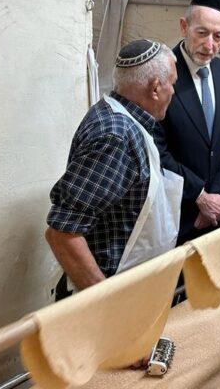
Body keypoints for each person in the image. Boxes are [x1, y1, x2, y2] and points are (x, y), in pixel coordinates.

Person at [46, 40, 181, 297]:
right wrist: (106, 300)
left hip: (129, 286)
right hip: (103, 296)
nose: (173, 91)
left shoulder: (124, 118)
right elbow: (62, 233)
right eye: (172, 83)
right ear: (155, 88)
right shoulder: (116, 135)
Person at [154, 0, 220, 243]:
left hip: (217, 211)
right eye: (201, 33)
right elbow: (156, 150)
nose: (210, 45)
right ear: (184, 27)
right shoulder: (160, 74)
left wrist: (217, 197)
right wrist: (199, 196)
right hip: (175, 214)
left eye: (218, 36)